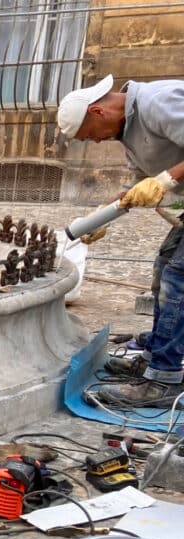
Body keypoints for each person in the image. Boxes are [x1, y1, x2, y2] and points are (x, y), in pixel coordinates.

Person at [59, 75, 184, 407]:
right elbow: (140, 187)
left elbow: (160, 181)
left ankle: (164, 381)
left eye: (90, 136)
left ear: (98, 112)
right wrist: (105, 215)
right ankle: (156, 358)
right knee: (163, 269)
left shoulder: (158, 101)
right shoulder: (128, 133)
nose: (96, 143)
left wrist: (169, 178)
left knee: (178, 280)